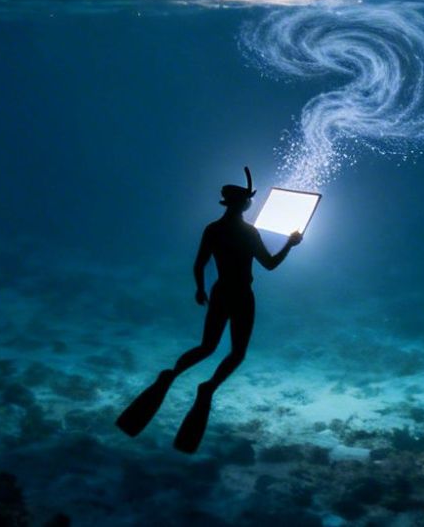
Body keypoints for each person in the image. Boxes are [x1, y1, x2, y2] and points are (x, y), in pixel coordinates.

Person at [115, 167, 302, 452]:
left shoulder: (213, 229)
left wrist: (200, 289)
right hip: (242, 295)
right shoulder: (248, 232)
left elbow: (200, 263)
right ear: (244, 204)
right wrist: (289, 243)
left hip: (220, 292)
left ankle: (171, 375)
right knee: (237, 353)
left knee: (206, 346)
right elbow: (270, 264)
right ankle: (209, 387)